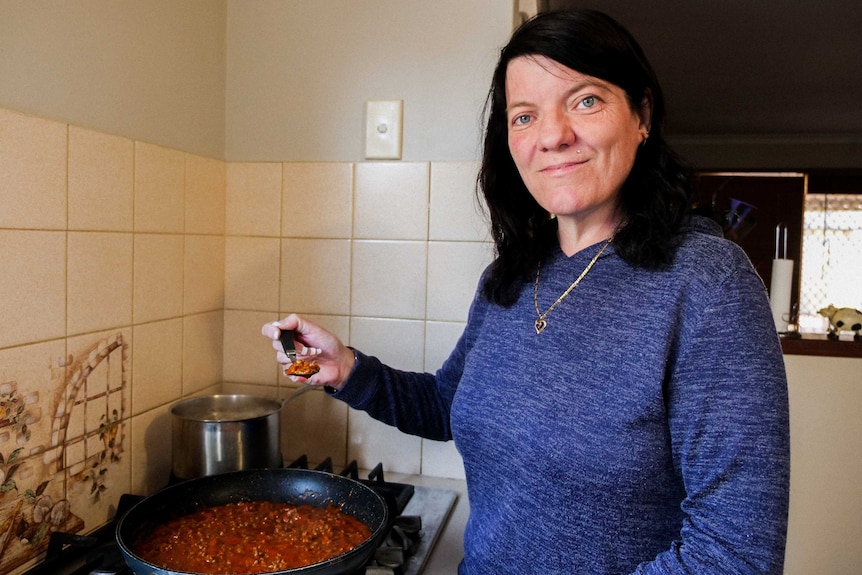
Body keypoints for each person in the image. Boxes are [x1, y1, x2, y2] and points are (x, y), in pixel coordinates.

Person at [262, 9, 790, 574]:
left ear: (641, 115)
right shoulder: (509, 278)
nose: (553, 136)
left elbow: (735, 553)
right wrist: (346, 369)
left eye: (585, 100)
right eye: (524, 116)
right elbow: (450, 406)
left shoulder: (708, 283)